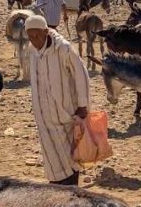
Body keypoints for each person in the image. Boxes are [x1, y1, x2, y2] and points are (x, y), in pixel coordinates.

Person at [25, 14, 91, 186]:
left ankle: (70, 190)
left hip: (65, 112)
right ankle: (59, 190)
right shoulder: (32, 51)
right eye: (30, 37)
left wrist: (83, 106)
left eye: (37, 35)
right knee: (52, 158)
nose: (34, 40)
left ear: (46, 31)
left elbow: (81, 75)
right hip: (44, 115)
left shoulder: (63, 48)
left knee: (70, 157)